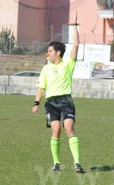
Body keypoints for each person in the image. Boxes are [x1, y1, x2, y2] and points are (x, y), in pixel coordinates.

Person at [32, 17, 83, 173]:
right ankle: (56, 163)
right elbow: (41, 87)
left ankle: (77, 163)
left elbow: (75, 45)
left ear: (58, 53)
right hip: (51, 102)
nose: (48, 53)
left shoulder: (67, 64)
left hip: (66, 100)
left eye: (50, 51)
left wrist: (75, 26)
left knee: (68, 128)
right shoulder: (46, 69)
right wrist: (36, 103)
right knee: (56, 130)